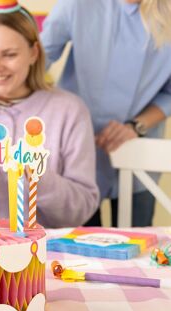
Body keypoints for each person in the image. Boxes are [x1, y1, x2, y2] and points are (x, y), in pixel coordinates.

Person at [0, 0, 99, 228]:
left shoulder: (70, 111)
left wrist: (37, 177)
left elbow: (81, 211)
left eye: (9, 54)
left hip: (49, 254)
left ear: (34, 53)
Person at [40, 0, 171, 226]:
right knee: (81, 250)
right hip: (77, 149)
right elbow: (35, 60)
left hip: (138, 145)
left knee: (136, 246)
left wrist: (136, 126)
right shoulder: (78, 5)